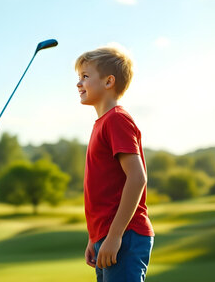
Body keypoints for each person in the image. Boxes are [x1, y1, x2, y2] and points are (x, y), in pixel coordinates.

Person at [75, 44, 154, 282]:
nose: (79, 83)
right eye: (79, 77)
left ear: (109, 82)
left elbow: (137, 177)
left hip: (125, 235)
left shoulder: (116, 119)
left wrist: (114, 236)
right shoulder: (101, 124)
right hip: (106, 236)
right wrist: (95, 237)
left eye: (85, 77)